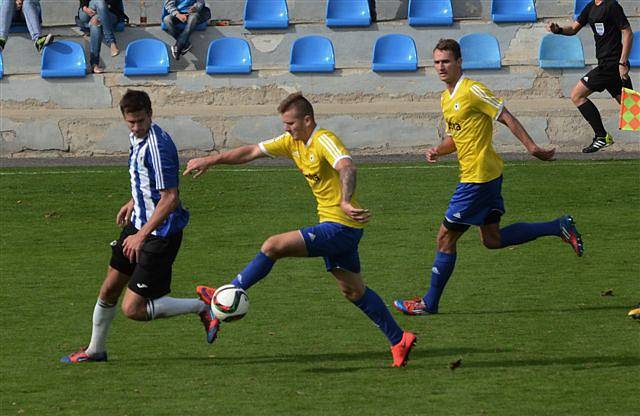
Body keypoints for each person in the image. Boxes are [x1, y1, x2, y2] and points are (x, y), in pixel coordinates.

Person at [184, 93, 417, 367]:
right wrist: (212, 160)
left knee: (273, 245)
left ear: (307, 120)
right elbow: (250, 152)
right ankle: (399, 339)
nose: (287, 128)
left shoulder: (323, 140)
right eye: (285, 123)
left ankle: (228, 291)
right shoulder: (291, 142)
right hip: (337, 229)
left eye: (291, 123)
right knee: (353, 291)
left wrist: (344, 199)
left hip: (340, 226)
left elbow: (346, 166)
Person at [393, 39, 584, 317]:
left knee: (445, 238)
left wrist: (532, 148)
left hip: (478, 178)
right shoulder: (446, 98)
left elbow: (505, 116)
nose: (441, 67)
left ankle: (429, 303)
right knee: (492, 239)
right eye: (436, 62)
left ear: (459, 62)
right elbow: (455, 139)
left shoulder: (473, 90)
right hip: (485, 176)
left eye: (446, 61)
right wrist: (439, 150)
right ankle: (559, 226)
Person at [61, 90, 218, 363]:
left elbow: (170, 197)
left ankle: (204, 307)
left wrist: (141, 236)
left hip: (159, 234)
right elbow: (147, 180)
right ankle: (95, 350)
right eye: (131, 122)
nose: (136, 127)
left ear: (151, 114)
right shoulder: (136, 138)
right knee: (109, 288)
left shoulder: (157, 145)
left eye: (141, 121)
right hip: (138, 226)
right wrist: (134, 200)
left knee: (133, 309)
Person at [547, 0, 633, 153]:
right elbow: (573, 29)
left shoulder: (611, 5)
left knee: (577, 95)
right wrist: (558, 30)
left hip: (610, 65)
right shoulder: (591, 7)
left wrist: (622, 62)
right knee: (632, 110)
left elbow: (627, 32)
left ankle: (601, 136)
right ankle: (601, 136)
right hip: (606, 64)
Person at [77, 0, 126, 74]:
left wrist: (101, 11)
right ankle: (111, 42)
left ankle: (94, 64)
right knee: (100, 2)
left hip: (110, 13)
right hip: (87, 11)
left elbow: (114, 3)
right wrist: (85, 9)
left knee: (95, 22)